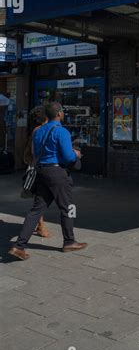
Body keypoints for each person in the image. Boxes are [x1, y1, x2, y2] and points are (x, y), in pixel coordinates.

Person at [9, 101, 87, 260]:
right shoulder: (61, 131)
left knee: (36, 210)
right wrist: (76, 155)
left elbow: (36, 153)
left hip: (41, 172)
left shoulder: (38, 132)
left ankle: (19, 246)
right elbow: (67, 157)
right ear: (59, 114)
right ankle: (69, 241)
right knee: (67, 207)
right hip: (57, 173)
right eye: (62, 112)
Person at [23, 105, 50, 238]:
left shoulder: (35, 130)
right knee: (40, 198)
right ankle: (40, 225)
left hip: (36, 166)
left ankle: (40, 224)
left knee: (40, 197)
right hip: (42, 167)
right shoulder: (41, 130)